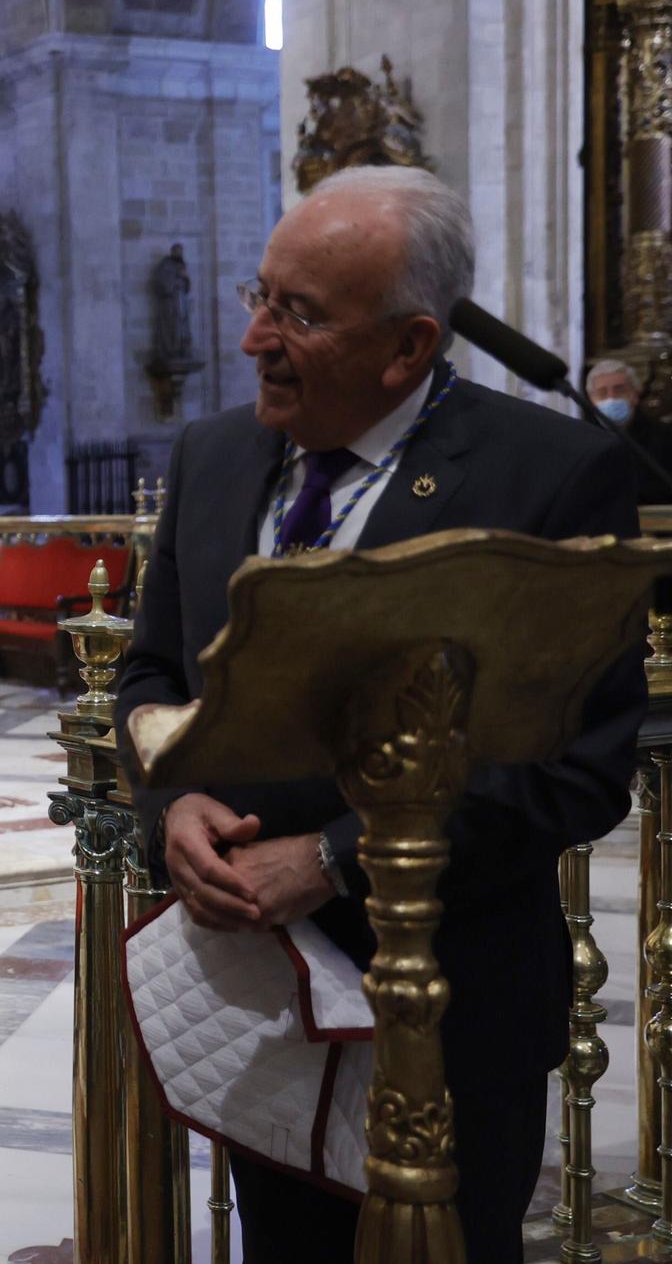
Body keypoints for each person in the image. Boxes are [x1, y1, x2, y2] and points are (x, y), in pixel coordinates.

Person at [115, 165, 645, 1262]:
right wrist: (170, 802)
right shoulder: (212, 457)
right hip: (257, 993)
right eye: (257, 297)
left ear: (408, 346)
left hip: (449, 1006)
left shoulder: (549, 474)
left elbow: (574, 769)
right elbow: (151, 677)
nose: (256, 337)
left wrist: (333, 854)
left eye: (297, 314)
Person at [587, 356, 672, 506]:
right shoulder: (582, 440)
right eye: (602, 392)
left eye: (619, 390)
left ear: (635, 395)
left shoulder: (665, 436)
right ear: (591, 399)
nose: (611, 398)